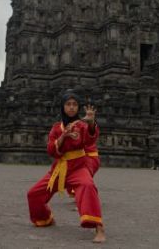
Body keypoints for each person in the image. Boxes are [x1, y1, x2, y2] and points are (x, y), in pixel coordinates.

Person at [27, 90, 106, 243]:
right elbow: (51, 150)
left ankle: (99, 228)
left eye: (75, 104)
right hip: (59, 169)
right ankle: (45, 218)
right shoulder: (57, 128)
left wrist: (91, 124)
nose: (71, 107)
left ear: (78, 108)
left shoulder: (82, 125)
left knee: (88, 186)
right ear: (63, 107)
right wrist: (63, 136)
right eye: (68, 104)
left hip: (78, 167)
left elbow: (90, 141)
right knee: (33, 194)